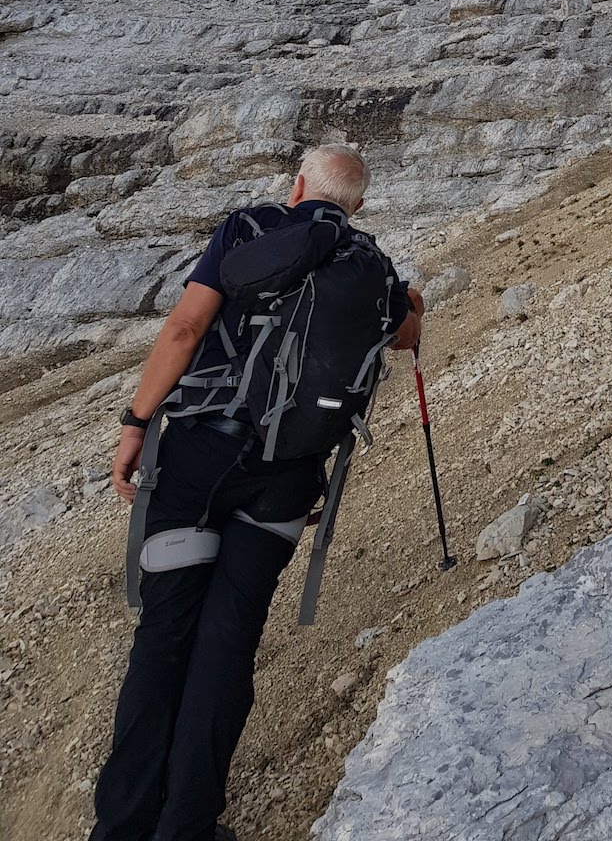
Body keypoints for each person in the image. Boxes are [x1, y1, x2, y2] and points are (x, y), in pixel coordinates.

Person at [90, 143, 424, 841]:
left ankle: (121, 827)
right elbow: (406, 331)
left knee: (163, 638)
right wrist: (411, 301)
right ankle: (187, 826)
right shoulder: (369, 264)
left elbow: (184, 328)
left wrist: (134, 424)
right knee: (227, 644)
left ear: (297, 185)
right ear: (355, 205)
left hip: (198, 459)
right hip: (285, 477)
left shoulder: (246, 230)